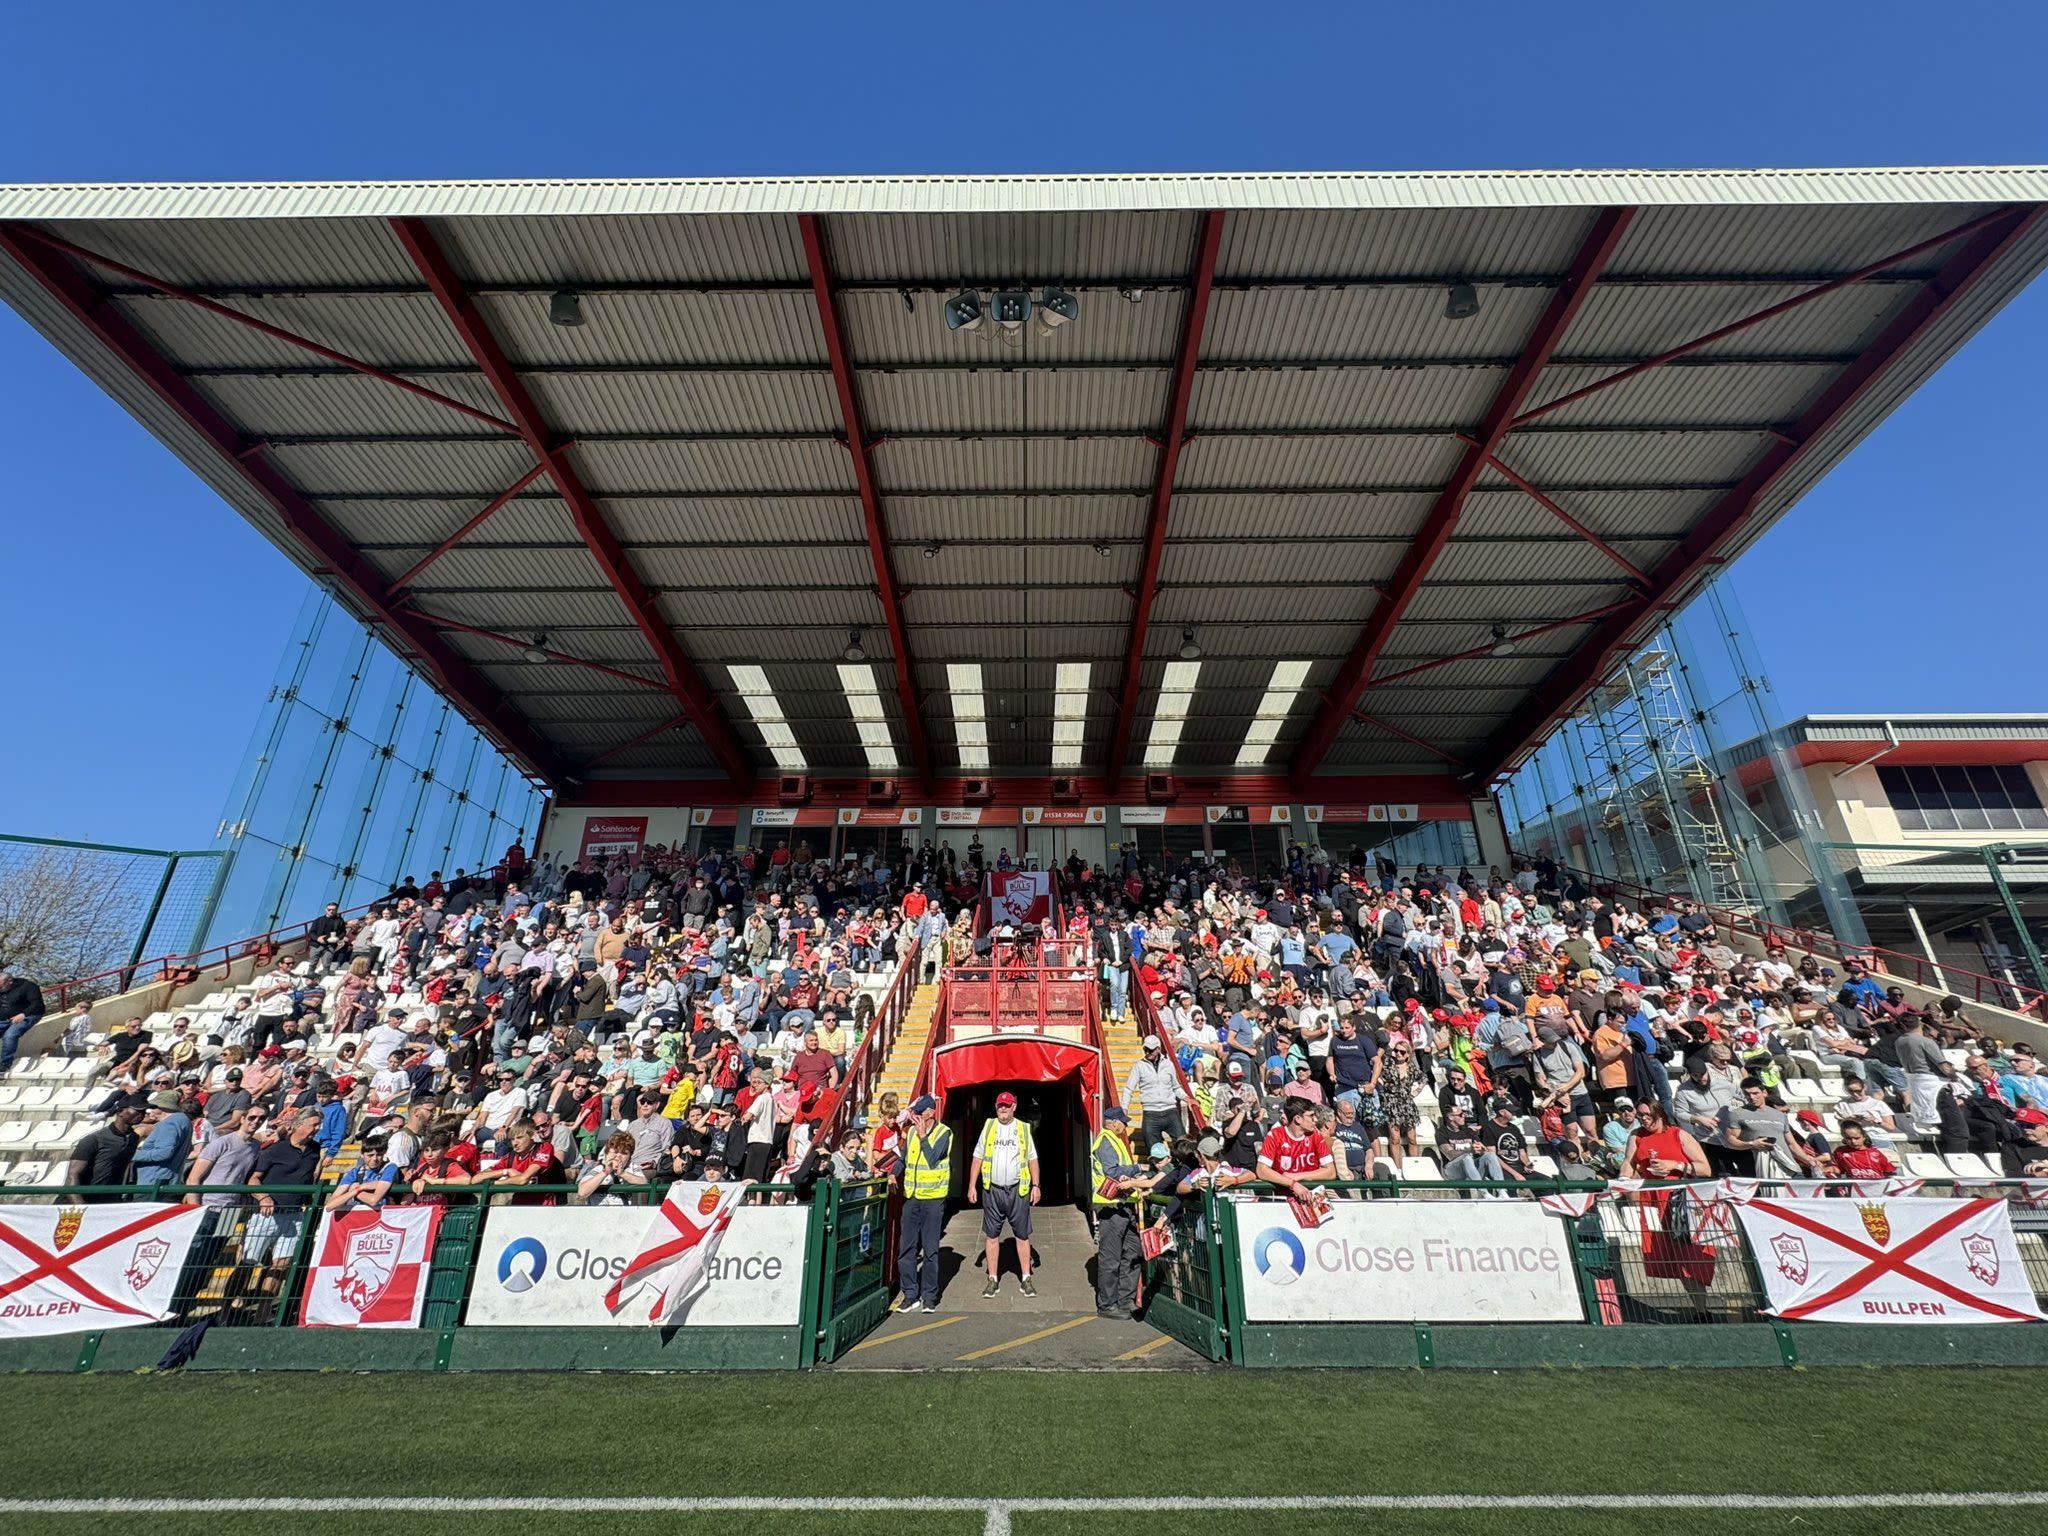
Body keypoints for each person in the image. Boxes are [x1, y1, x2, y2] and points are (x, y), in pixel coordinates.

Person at [966, 1090, 1040, 1297]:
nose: (1003, 1109)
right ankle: (992, 1279)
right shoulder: (989, 1127)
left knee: (1022, 1235)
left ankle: (1026, 1278)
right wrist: (972, 1185)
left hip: (1017, 1190)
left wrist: (1036, 1185)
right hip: (993, 1190)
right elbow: (977, 1158)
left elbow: (1032, 1160)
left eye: (1007, 1105)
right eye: (1000, 1105)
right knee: (991, 1236)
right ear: (996, 1107)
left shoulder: (1023, 1129)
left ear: (1014, 1107)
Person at [1091, 1106, 1162, 1319]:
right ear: (1113, 1122)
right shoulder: (1106, 1141)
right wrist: (1137, 1169)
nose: (1125, 1125)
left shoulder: (1114, 1140)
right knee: (1111, 1258)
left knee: (1131, 1254)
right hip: (1111, 1206)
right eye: (1123, 1122)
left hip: (1124, 1205)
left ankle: (1125, 1300)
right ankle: (1107, 1304)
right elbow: (1112, 1171)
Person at [894, 1094, 952, 1314]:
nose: (915, 1117)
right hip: (913, 1198)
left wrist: (923, 1136)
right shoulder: (910, 1134)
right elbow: (903, 1159)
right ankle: (909, 1294)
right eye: (914, 1113)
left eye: (919, 1113)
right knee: (906, 1248)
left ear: (930, 1113)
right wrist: (893, 1174)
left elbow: (933, 1158)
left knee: (930, 1250)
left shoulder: (944, 1133)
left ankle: (929, 1296)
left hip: (933, 1200)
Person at [63, 1104, 144, 1201]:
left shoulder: (133, 1138)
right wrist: (80, 1207)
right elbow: (72, 1175)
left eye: (143, 1111)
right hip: (82, 1202)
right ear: (120, 1112)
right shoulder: (94, 1139)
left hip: (109, 1200)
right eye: (137, 1111)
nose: (141, 1114)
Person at [1123, 1034, 1189, 1147]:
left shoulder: (1168, 1065)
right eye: (1145, 1049)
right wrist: (1124, 1107)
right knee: (1155, 1152)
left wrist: (1187, 1098)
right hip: (1150, 1113)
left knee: (1183, 1145)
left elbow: (1175, 1087)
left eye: (1150, 1050)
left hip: (1170, 1111)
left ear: (1158, 1049)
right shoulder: (1139, 1066)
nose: (1147, 1052)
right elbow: (1129, 1089)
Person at [0, 963, 47, 1075]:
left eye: (1, 987)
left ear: (10, 982)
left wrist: (23, 1014)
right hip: (5, 1017)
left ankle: (5, 1064)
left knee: (10, 1035)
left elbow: (37, 1004)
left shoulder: (28, 986)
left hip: (29, 1015)